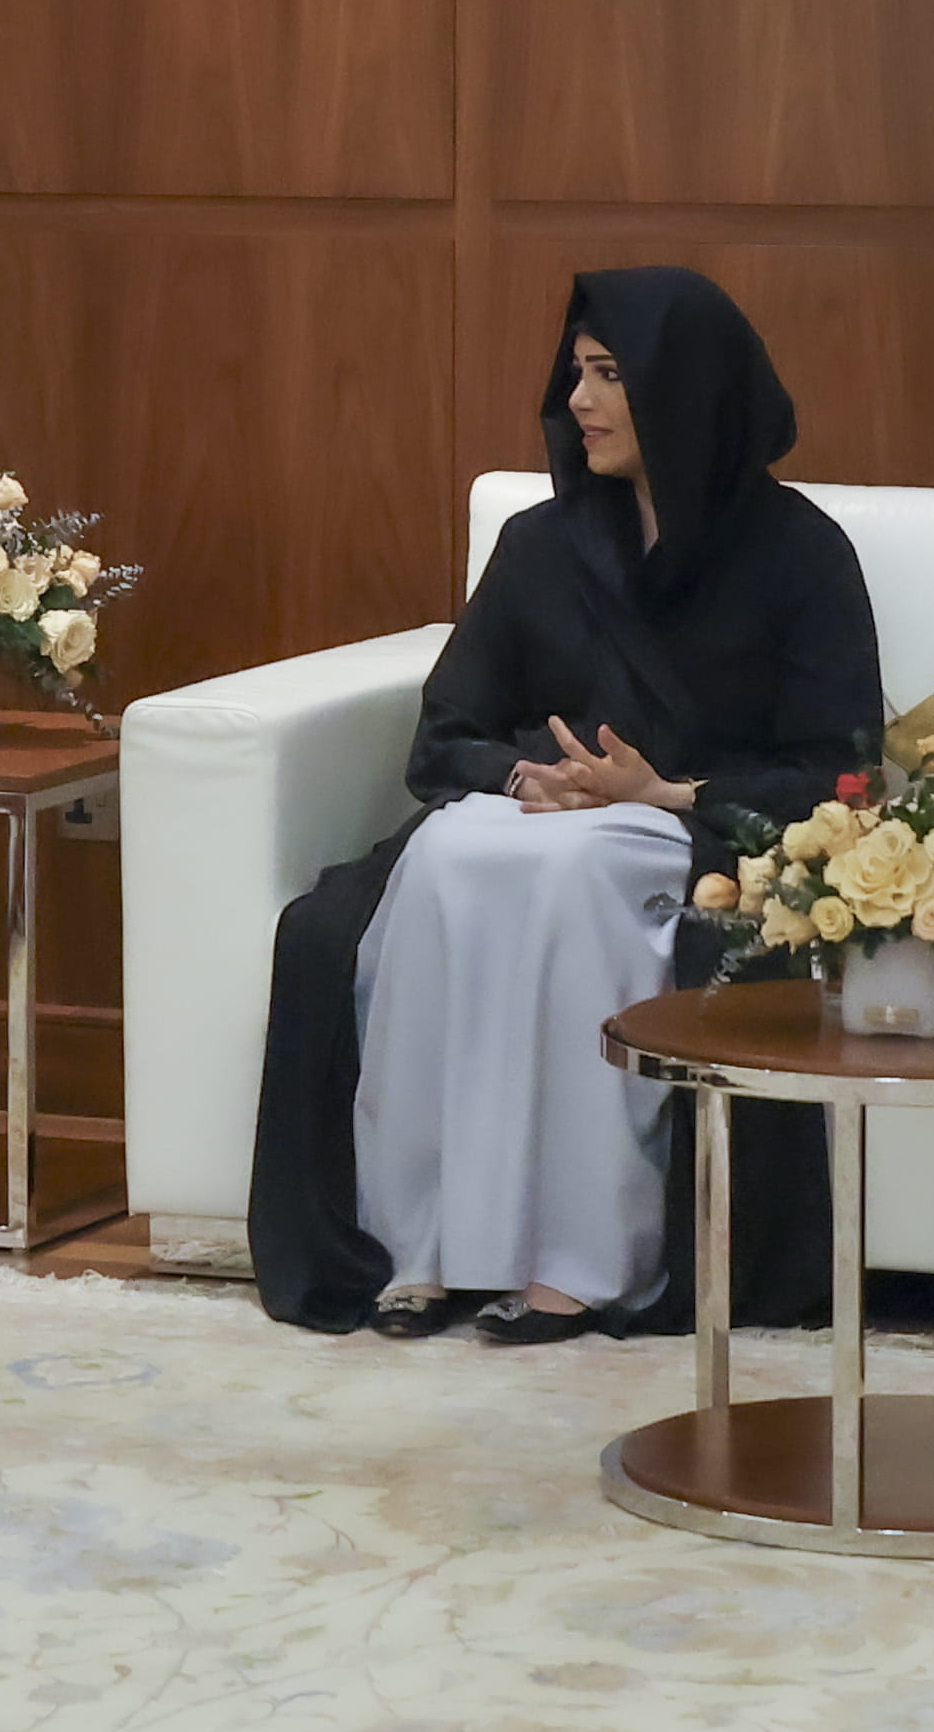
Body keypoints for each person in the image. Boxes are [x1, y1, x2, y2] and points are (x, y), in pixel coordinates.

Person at [249, 270, 881, 1342]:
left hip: (682, 826)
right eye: (576, 373)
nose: (578, 401)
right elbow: (446, 730)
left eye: (608, 376)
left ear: (684, 390)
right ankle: (422, 1245)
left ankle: (580, 1261)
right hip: (526, 817)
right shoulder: (540, 544)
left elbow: (839, 772)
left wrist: (662, 791)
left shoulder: (801, 555)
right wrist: (521, 777)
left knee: (578, 873)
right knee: (443, 860)